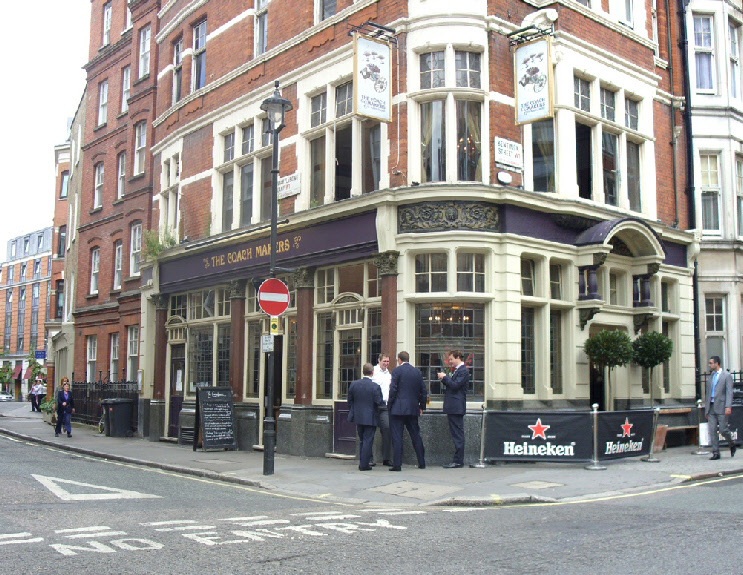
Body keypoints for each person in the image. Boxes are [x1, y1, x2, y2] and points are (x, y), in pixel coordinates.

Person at [388, 350, 427, 471]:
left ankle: (397, 464)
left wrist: (390, 404)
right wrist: (421, 406)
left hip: (398, 409)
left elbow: (393, 389)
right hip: (412, 408)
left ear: (399, 359)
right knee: (416, 435)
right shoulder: (417, 372)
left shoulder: (396, 371)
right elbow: (423, 391)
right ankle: (421, 462)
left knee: (397, 436)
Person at [347, 363, 384, 471]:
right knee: (368, 440)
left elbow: (350, 401)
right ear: (372, 372)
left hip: (358, 417)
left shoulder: (354, 384)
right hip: (371, 417)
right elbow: (379, 402)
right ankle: (364, 464)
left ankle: (363, 461)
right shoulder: (375, 387)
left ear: (363, 372)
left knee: (362, 440)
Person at [437, 350, 469, 468]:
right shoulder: (458, 371)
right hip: (454, 407)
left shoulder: (463, 371)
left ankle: (458, 461)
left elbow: (455, 385)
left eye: (451, 359)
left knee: (458, 434)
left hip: (456, 408)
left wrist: (444, 378)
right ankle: (457, 460)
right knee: (456, 433)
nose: (449, 362)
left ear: (458, 358)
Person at [705, 356, 736, 460]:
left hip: (722, 406)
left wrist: (728, 406)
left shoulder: (726, 376)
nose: (709, 365)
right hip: (711, 407)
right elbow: (707, 393)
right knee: (712, 430)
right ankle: (716, 453)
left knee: (723, 430)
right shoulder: (710, 376)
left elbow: (729, 392)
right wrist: (706, 409)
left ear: (716, 363)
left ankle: (732, 444)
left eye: (711, 363)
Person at [371, 353, 392, 466]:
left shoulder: (389, 374)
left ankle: (386, 458)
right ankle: (370, 458)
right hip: (373, 406)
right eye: (384, 361)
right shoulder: (373, 371)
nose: (386, 363)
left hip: (384, 406)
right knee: (370, 431)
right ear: (379, 360)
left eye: (387, 361)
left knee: (387, 429)